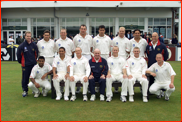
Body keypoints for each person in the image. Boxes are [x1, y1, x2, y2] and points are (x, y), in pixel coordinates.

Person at [17, 31, 38, 97]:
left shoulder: (34, 45)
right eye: (27, 36)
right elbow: (19, 56)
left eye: (29, 36)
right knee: (25, 79)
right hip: (25, 65)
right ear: (25, 36)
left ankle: (34, 90)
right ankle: (25, 91)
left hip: (33, 64)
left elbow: (36, 54)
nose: (29, 37)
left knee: (34, 78)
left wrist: (34, 61)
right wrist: (23, 62)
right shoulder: (21, 46)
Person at [73, 24, 93, 93]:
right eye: (82, 28)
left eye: (84, 29)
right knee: (78, 71)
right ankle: (78, 87)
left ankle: (88, 87)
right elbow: (75, 47)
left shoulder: (89, 37)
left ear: (86, 29)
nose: (83, 30)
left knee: (88, 71)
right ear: (79, 29)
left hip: (87, 55)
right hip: (79, 55)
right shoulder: (76, 37)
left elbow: (91, 47)